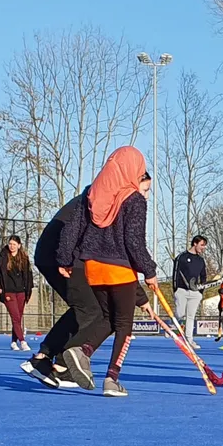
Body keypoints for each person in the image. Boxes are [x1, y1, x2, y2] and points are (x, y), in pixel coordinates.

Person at [21, 191, 152, 389]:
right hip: (65, 257)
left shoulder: (103, 192)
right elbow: (122, 252)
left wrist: (139, 297)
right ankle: (49, 360)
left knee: (86, 308)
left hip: (54, 254)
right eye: (145, 189)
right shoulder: (112, 198)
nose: (146, 196)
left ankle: (56, 363)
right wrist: (140, 292)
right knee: (93, 311)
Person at [56, 146, 158, 397]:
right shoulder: (134, 199)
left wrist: (65, 258)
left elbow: (72, 229)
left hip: (92, 267)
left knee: (107, 318)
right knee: (124, 325)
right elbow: (134, 242)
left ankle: (83, 351)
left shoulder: (93, 193)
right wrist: (149, 270)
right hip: (119, 268)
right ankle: (112, 379)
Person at [0, 235, 34, 351]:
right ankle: (23, 342)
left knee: (18, 318)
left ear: (19, 246)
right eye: (10, 244)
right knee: (15, 317)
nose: (12, 246)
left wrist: (28, 289)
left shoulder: (24, 258)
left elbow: (29, 275)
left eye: (14, 244)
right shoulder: (2, 256)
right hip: (8, 292)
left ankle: (13, 342)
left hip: (21, 291)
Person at [172, 236, 208, 349]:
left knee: (191, 316)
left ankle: (189, 340)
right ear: (195, 244)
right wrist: (176, 289)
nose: (203, 247)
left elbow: (203, 277)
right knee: (180, 313)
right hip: (181, 291)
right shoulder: (181, 257)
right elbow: (175, 274)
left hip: (195, 293)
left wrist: (200, 291)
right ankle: (171, 325)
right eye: (202, 245)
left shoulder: (201, 260)